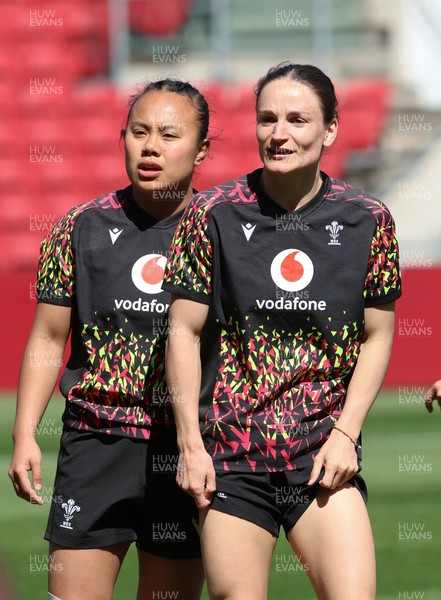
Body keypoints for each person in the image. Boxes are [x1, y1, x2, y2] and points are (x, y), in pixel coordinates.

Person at [163, 63, 402, 600]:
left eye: (297, 119)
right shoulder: (211, 215)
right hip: (231, 456)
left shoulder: (368, 219)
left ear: (331, 128)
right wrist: (190, 446)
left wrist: (346, 434)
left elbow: (377, 336)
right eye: (267, 119)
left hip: (321, 453)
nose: (279, 133)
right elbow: (182, 331)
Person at [8, 79, 210, 600]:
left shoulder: (224, 231)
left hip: (189, 450)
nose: (151, 146)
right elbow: (49, 338)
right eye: (139, 132)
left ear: (202, 148)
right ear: (121, 138)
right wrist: (25, 434)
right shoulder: (79, 227)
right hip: (96, 443)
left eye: (169, 134)